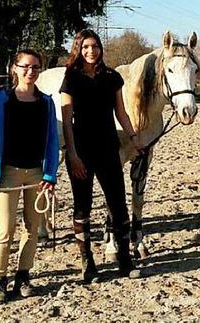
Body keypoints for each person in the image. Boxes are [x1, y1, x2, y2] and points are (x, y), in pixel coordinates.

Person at [59, 29, 141, 282]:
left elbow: (121, 113)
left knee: (118, 204)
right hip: (82, 150)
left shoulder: (112, 77)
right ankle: (88, 263)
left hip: (108, 148)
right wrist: (72, 154)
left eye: (94, 46)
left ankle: (125, 261)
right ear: (78, 49)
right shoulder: (71, 78)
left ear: (100, 48)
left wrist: (135, 139)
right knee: (83, 206)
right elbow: (66, 120)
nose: (90, 51)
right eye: (85, 47)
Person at [0, 49, 59, 303]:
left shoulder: (46, 103)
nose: (30, 71)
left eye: (35, 67)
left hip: (36, 174)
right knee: (5, 230)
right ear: (15, 68)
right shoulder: (1, 101)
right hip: (8, 175)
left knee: (32, 228)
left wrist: (50, 175)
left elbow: (52, 143)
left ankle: (23, 275)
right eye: (25, 66)